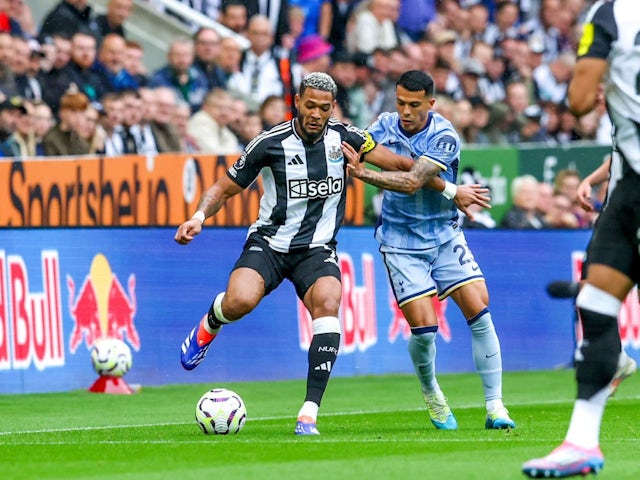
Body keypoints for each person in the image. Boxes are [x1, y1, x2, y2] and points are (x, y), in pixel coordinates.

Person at [175, 72, 488, 436]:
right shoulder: (269, 143)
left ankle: (308, 413)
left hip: (317, 250)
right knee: (239, 302)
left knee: (328, 304)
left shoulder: (348, 138)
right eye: (310, 106)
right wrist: (198, 217)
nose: (316, 114)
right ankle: (211, 323)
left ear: (332, 109)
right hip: (270, 244)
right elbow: (224, 187)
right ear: (297, 102)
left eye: (324, 108)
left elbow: (403, 166)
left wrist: (452, 190)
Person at [344, 70, 514, 431]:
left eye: (414, 105)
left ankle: (496, 407)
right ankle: (433, 394)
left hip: (443, 235)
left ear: (431, 104)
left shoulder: (444, 135)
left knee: (479, 308)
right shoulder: (383, 125)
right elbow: (362, 149)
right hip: (400, 241)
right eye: (401, 102)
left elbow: (411, 181)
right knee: (424, 328)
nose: (405, 111)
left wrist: (364, 175)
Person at [522, 1, 640, 477]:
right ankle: (581, 443)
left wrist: (593, 90)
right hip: (628, 185)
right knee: (595, 305)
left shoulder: (612, 15)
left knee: (594, 311)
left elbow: (577, 98)